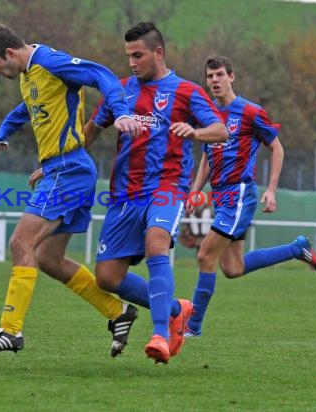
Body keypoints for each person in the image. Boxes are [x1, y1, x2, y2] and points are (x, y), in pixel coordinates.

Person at [0, 24, 142, 358]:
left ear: (9, 53)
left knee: (21, 243)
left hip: (68, 169)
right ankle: (118, 312)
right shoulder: (27, 75)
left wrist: (121, 112)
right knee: (49, 259)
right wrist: (6, 129)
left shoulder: (50, 61)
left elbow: (100, 74)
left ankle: (10, 330)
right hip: (61, 169)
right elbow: (29, 106)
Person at [84, 22, 228, 364]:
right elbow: (91, 130)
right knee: (107, 277)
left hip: (167, 187)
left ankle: (161, 334)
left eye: (138, 55)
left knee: (156, 243)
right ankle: (178, 309)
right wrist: (56, 162)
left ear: (158, 53)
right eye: (128, 56)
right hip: (124, 196)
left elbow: (220, 130)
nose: (132, 62)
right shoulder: (119, 92)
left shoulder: (186, 91)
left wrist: (194, 132)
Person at [183, 55, 316, 338]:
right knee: (233, 269)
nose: (214, 80)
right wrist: (195, 190)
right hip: (221, 196)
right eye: (210, 76)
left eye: (220, 75)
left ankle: (192, 327)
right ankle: (297, 249)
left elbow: (277, 149)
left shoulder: (250, 112)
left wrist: (271, 189)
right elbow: (208, 157)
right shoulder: (208, 115)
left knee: (204, 256)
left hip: (239, 194)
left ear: (231, 77)